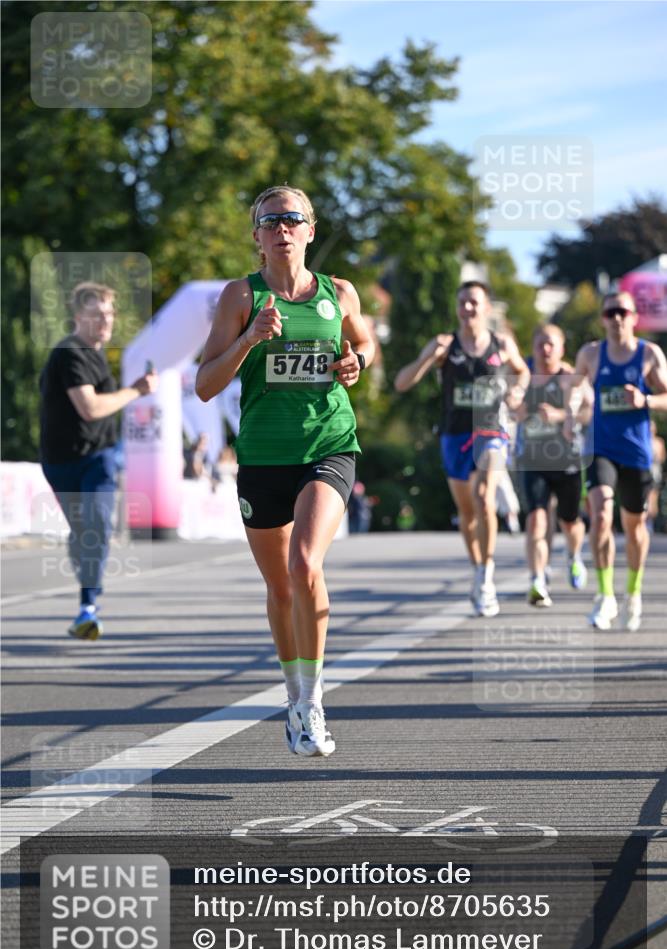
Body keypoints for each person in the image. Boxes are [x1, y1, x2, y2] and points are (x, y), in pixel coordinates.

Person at [196, 185, 374, 757]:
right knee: (279, 586)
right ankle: (294, 699)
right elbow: (204, 385)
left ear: (310, 230)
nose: (282, 228)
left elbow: (366, 343)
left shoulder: (338, 293)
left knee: (304, 562)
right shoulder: (239, 297)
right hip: (263, 457)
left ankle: (315, 702)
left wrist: (357, 361)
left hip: (329, 443)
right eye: (270, 221)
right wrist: (250, 338)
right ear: (257, 237)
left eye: (292, 219)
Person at [394, 281, 529, 616]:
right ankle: (479, 568)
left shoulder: (502, 343)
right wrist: (428, 359)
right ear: (457, 308)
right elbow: (402, 383)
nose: (468, 309)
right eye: (463, 303)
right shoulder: (445, 345)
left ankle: (487, 578)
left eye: (474, 302)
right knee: (468, 515)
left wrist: (516, 392)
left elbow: (523, 372)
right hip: (454, 434)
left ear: (486, 308)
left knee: (484, 497)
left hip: (491, 430)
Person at [39, 282, 158, 639]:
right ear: (78, 317)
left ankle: (88, 608)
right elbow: (89, 409)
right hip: (61, 461)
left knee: (98, 527)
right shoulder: (69, 353)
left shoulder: (95, 353)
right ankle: (88, 597)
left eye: (109, 313)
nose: (105, 320)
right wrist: (136, 390)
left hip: (100, 457)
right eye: (96, 313)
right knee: (82, 534)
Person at [568, 290, 667, 630]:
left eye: (623, 311)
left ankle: (633, 593)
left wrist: (645, 399)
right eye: (610, 312)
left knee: (635, 527)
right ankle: (605, 595)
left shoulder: (649, 354)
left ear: (634, 316)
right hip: (600, 448)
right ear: (603, 318)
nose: (617, 318)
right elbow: (577, 388)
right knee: (600, 516)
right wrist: (570, 414)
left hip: (636, 452)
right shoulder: (591, 354)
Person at [514, 324, 590, 607]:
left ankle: (573, 555)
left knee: (569, 521)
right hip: (532, 460)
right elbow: (510, 407)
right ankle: (537, 580)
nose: (545, 350)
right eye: (540, 345)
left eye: (551, 344)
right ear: (532, 348)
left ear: (561, 349)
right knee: (536, 520)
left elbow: (588, 411)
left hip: (566, 461)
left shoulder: (570, 377)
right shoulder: (523, 377)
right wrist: (517, 409)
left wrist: (560, 415)